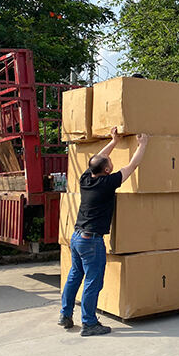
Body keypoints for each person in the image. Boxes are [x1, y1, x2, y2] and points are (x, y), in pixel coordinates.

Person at [59, 127, 149, 336]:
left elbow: (99, 159)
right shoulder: (108, 183)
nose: (109, 161)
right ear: (107, 170)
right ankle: (89, 323)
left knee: (74, 276)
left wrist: (114, 141)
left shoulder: (86, 179)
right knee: (93, 281)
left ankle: (65, 314)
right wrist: (143, 144)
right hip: (91, 240)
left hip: (77, 237)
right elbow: (133, 165)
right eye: (109, 162)